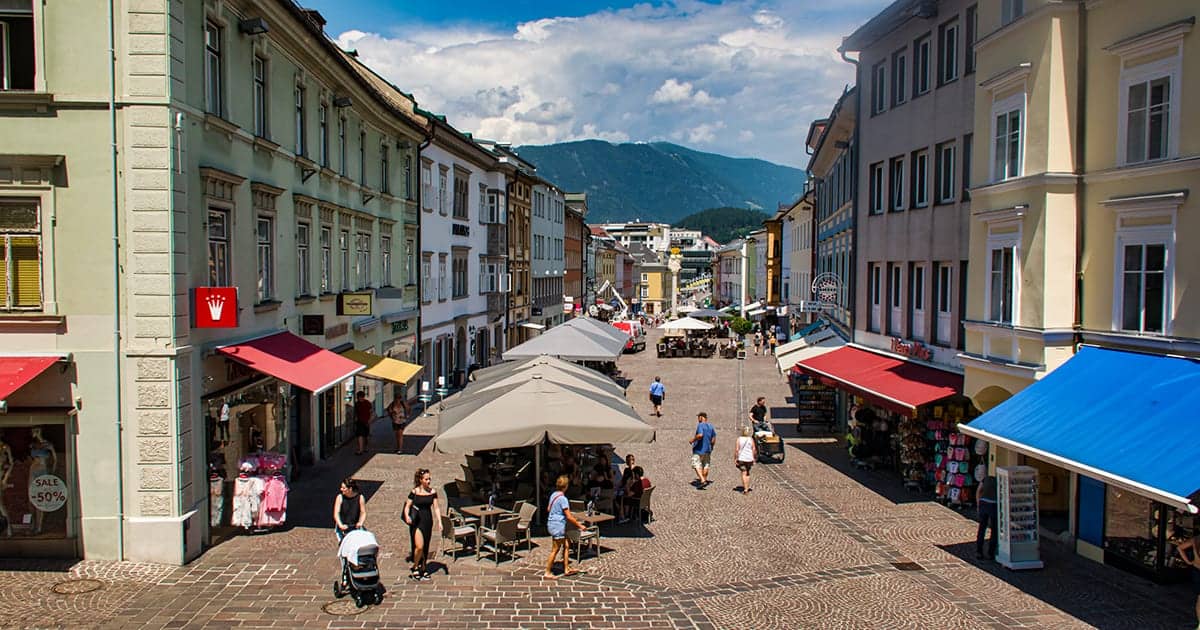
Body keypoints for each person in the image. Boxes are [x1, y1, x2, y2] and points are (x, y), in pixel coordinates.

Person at [544, 474, 586, 579]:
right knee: (555, 549)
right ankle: (547, 571)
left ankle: (566, 568)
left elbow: (549, 509)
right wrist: (580, 525)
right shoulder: (563, 499)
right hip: (558, 525)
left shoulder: (553, 495)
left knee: (567, 545)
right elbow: (569, 516)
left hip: (552, 523)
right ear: (566, 486)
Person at [402, 468, 440, 581]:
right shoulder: (415, 492)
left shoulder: (432, 492)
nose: (428, 481)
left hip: (427, 520)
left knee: (426, 545)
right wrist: (407, 516)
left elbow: (436, 508)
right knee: (419, 546)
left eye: (429, 479)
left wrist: (440, 521)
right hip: (417, 521)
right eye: (426, 479)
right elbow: (407, 506)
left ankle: (422, 567)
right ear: (421, 480)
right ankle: (415, 566)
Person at [1174, 535, 1200, 628]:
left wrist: (1189, 562)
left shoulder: (1196, 539)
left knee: (1199, 599)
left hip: (1197, 570)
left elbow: (1180, 548)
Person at [689, 412, 717, 488]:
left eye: (698, 417)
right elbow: (713, 439)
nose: (698, 419)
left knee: (696, 464)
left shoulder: (700, 425)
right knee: (706, 465)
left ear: (701, 417)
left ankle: (702, 480)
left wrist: (693, 440)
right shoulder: (711, 426)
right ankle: (704, 479)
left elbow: (700, 435)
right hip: (708, 449)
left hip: (699, 449)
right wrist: (711, 446)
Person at [976, 474, 998, 560]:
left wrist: (978, 504)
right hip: (994, 505)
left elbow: (978, 491)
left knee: (982, 528)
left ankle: (979, 551)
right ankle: (990, 553)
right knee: (994, 530)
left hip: (984, 504)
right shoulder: (999, 480)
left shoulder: (986, 479)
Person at [734, 426, 757, 494]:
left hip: (741, 458)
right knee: (747, 473)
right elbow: (754, 449)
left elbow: (737, 450)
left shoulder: (739, 439)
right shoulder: (750, 439)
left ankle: (745, 489)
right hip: (749, 458)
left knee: (743, 472)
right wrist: (754, 458)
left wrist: (735, 458)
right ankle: (747, 487)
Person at [353, 391, 374, 455]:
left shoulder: (367, 403)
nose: (359, 399)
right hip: (359, 422)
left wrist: (370, 420)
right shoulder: (357, 404)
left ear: (363, 397)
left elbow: (371, 412)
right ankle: (360, 450)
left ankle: (365, 447)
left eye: (360, 397)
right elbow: (356, 413)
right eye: (358, 397)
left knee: (366, 436)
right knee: (360, 435)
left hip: (366, 422)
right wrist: (355, 418)